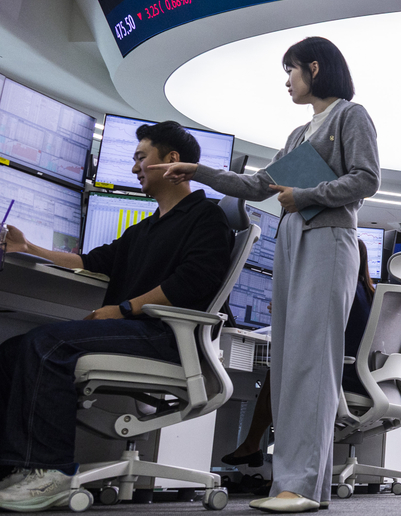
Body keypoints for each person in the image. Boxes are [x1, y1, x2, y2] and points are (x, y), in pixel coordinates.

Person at [155, 36, 379, 513]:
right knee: (288, 364)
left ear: (314, 68)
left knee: (312, 366)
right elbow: (257, 185)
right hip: (294, 237)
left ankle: (301, 486)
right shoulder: (299, 135)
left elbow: (366, 179)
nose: (287, 81)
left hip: (329, 237)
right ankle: (290, 483)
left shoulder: (350, 116)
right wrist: (202, 172)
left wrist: (308, 195)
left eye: (291, 71)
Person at [0, 122, 233, 511]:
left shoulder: (206, 218)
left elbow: (193, 282)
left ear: (173, 161)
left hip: (168, 339)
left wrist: (123, 309)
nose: (134, 168)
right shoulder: (146, 229)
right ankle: (18, 468)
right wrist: (28, 246)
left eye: (141, 158)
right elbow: (91, 261)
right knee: (13, 350)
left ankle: (50, 470)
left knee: (48, 344)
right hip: (139, 331)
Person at [221, 239, 378, 470]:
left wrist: (286, 311)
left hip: (341, 375)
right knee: (280, 372)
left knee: (279, 374)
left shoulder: (343, 292)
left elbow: (312, 328)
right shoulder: (367, 293)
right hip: (360, 376)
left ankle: (257, 451)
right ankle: (253, 448)